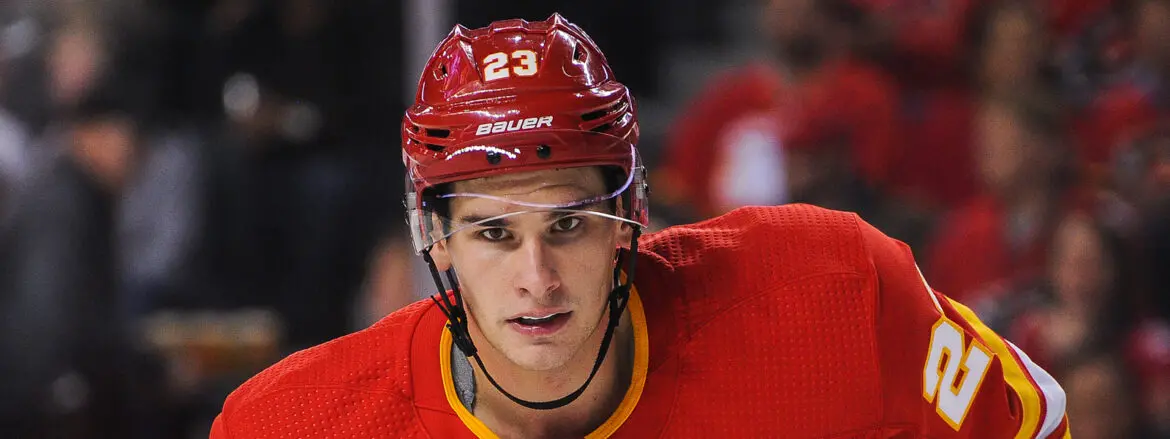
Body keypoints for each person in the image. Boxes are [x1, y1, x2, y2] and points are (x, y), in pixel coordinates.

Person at [210, 14, 1069, 438]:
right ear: (434, 238)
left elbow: (1030, 422)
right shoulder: (295, 423)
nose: (537, 278)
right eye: (495, 234)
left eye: (568, 224)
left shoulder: (830, 293)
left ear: (628, 215)